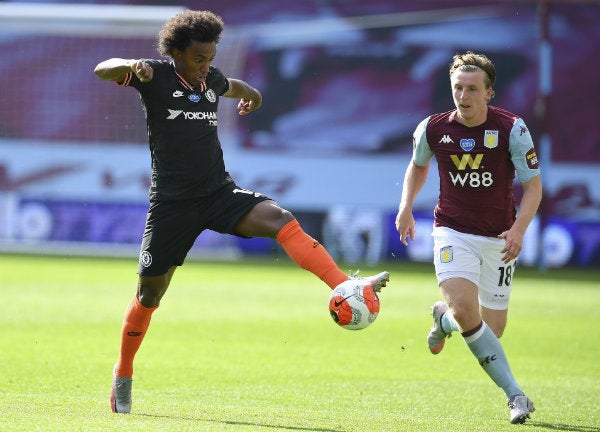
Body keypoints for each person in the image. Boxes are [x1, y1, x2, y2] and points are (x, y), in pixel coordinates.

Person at [94, 10, 389, 414]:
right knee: (150, 293)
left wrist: (253, 94)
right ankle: (123, 373)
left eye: (211, 59)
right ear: (176, 52)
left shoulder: (210, 79)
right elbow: (102, 70)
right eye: (199, 58)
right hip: (172, 205)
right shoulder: (155, 77)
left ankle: (346, 287)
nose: (206, 67)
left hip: (219, 193)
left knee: (281, 219)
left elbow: (234, 85)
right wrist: (128, 66)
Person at [395, 51, 542, 424]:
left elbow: (534, 186)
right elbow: (417, 165)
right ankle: (516, 395)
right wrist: (406, 207)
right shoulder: (432, 127)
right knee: (467, 311)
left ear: (489, 93)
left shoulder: (512, 129)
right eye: (458, 88)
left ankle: (443, 320)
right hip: (452, 231)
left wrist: (519, 229)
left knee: (491, 330)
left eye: (472, 89)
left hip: (499, 237)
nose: (463, 96)